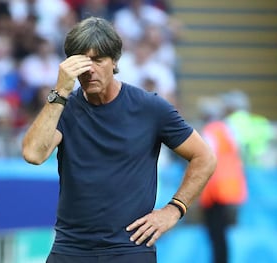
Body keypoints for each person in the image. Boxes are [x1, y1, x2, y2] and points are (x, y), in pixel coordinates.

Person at [22, 16, 216, 263]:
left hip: (130, 248)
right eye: (81, 61)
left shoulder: (150, 107)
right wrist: (59, 91)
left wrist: (174, 209)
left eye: (98, 60)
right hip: (70, 248)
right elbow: (33, 154)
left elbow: (204, 157)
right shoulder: (63, 108)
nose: (89, 69)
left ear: (114, 62)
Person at [197, 96, 247, 263]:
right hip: (228, 187)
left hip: (215, 188)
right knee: (222, 232)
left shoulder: (210, 130)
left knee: (216, 232)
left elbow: (206, 157)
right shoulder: (226, 129)